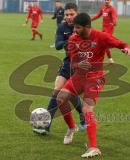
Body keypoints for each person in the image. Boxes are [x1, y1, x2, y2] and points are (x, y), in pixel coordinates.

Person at [56, 13, 130, 158]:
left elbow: (121, 44)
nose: (75, 30)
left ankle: (93, 147)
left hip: (95, 78)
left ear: (87, 27)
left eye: (78, 27)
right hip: (79, 76)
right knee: (60, 98)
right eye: (74, 27)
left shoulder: (101, 36)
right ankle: (72, 128)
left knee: (86, 109)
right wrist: (78, 64)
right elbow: (72, 62)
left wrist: (127, 48)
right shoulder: (73, 39)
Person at [33, 3, 85, 137]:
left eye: (71, 14)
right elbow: (57, 45)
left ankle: (82, 113)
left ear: (77, 14)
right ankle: (45, 125)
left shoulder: (84, 26)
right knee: (57, 91)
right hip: (68, 63)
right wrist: (69, 41)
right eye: (66, 14)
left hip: (82, 65)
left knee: (72, 96)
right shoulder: (62, 27)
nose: (68, 17)